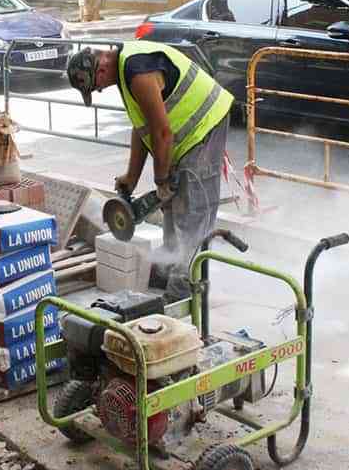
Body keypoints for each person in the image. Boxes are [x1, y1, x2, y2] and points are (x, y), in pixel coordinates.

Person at [66, 43, 233, 301]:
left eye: (96, 86)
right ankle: (168, 266)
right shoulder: (124, 73)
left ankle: (185, 290)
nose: (99, 90)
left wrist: (161, 179)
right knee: (171, 202)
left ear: (100, 69)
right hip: (183, 134)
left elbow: (162, 133)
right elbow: (143, 127)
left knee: (194, 210)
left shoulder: (137, 71)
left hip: (206, 124)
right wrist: (130, 178)